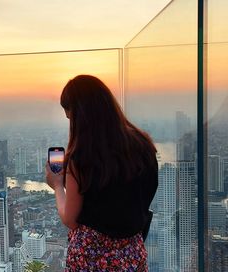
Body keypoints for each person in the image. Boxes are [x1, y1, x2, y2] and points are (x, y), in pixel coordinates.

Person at [45, 75, 158, 271]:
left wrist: (57, 185)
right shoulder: (143, 144)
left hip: (90, 258)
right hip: (132, 254)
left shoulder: (82, 158)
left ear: (81, 117)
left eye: (71, 118)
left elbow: (71, 219)